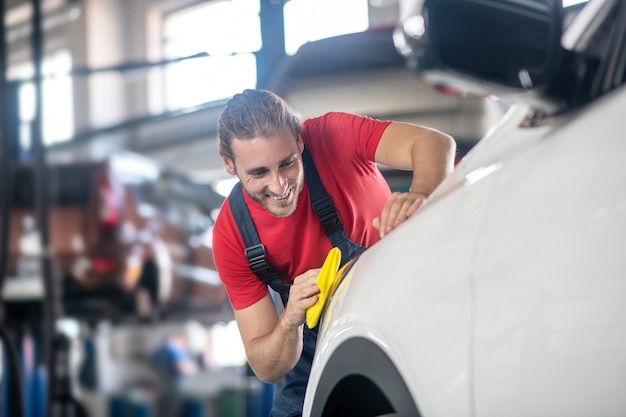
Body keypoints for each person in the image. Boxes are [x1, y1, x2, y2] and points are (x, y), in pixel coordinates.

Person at [212, 88, 455, 417]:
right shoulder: (232, 234)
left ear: (299, 140)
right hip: (308, 345)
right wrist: (290, 322)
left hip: (402, 301)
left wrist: (422, 194)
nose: (280, 185)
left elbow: (434, 143)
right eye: (259, 173)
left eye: (287, 164)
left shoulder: (332, 136)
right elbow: (267, 368)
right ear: (229, 164)